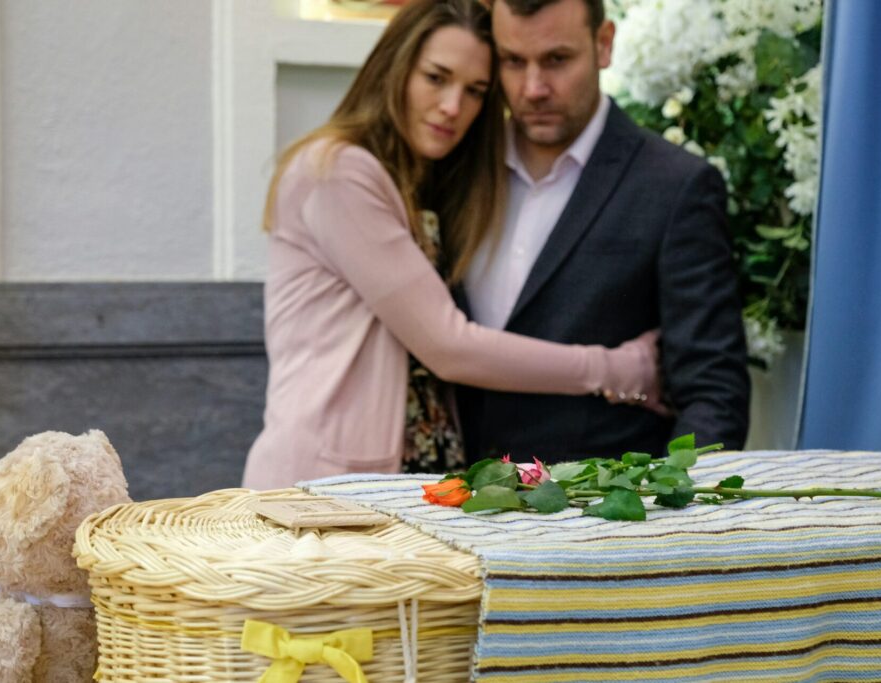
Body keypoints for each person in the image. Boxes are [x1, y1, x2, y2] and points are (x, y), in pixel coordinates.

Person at [242, 0, 662, 490]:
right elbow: (449, 345)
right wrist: (613, 369)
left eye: (475, 91)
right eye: (436, 78)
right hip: (323, 485)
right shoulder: (338, 171)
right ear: (394, 67)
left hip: (402, 482)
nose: (452, 107)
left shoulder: (421, 182)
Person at [457, 0, 750, 463]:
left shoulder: (674, 186)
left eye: (557, 60)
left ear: (604, 44)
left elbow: (713, 392)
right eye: (513, 61)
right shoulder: (455, 168)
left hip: (599, 518)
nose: (533, 88)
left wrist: (670, 515)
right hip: (439, 502)